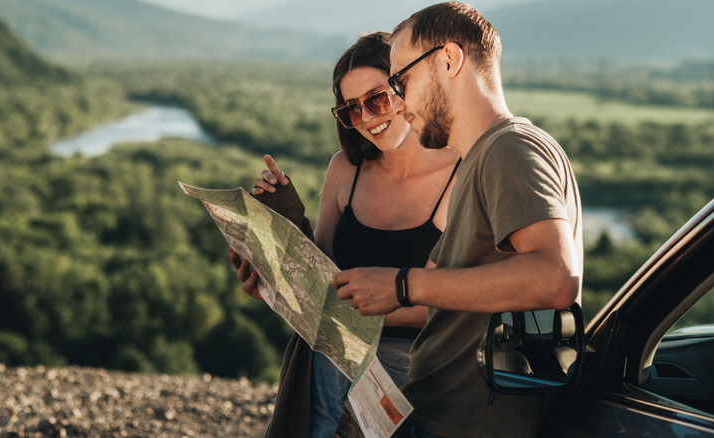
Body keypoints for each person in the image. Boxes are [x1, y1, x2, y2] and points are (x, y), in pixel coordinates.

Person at [332, 3, 583, 438]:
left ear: (449, 60)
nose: (399, 102)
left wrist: (402, 285)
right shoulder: (480, 158)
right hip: (435, 413)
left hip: (466, 424)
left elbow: (556, 277)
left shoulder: (510, 149)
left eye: (401, 81)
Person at [230, 31, 461, 437]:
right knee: (327, 357)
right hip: (338, 350)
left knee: (330, 358)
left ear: (406, 87)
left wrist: (349, 311)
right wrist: (273, 268)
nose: (368, 117)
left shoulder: (460, 175)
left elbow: (453, 306)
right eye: (352, 108)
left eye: (377, 98)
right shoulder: (344, 169)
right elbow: (322, 274)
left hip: (417, 361)